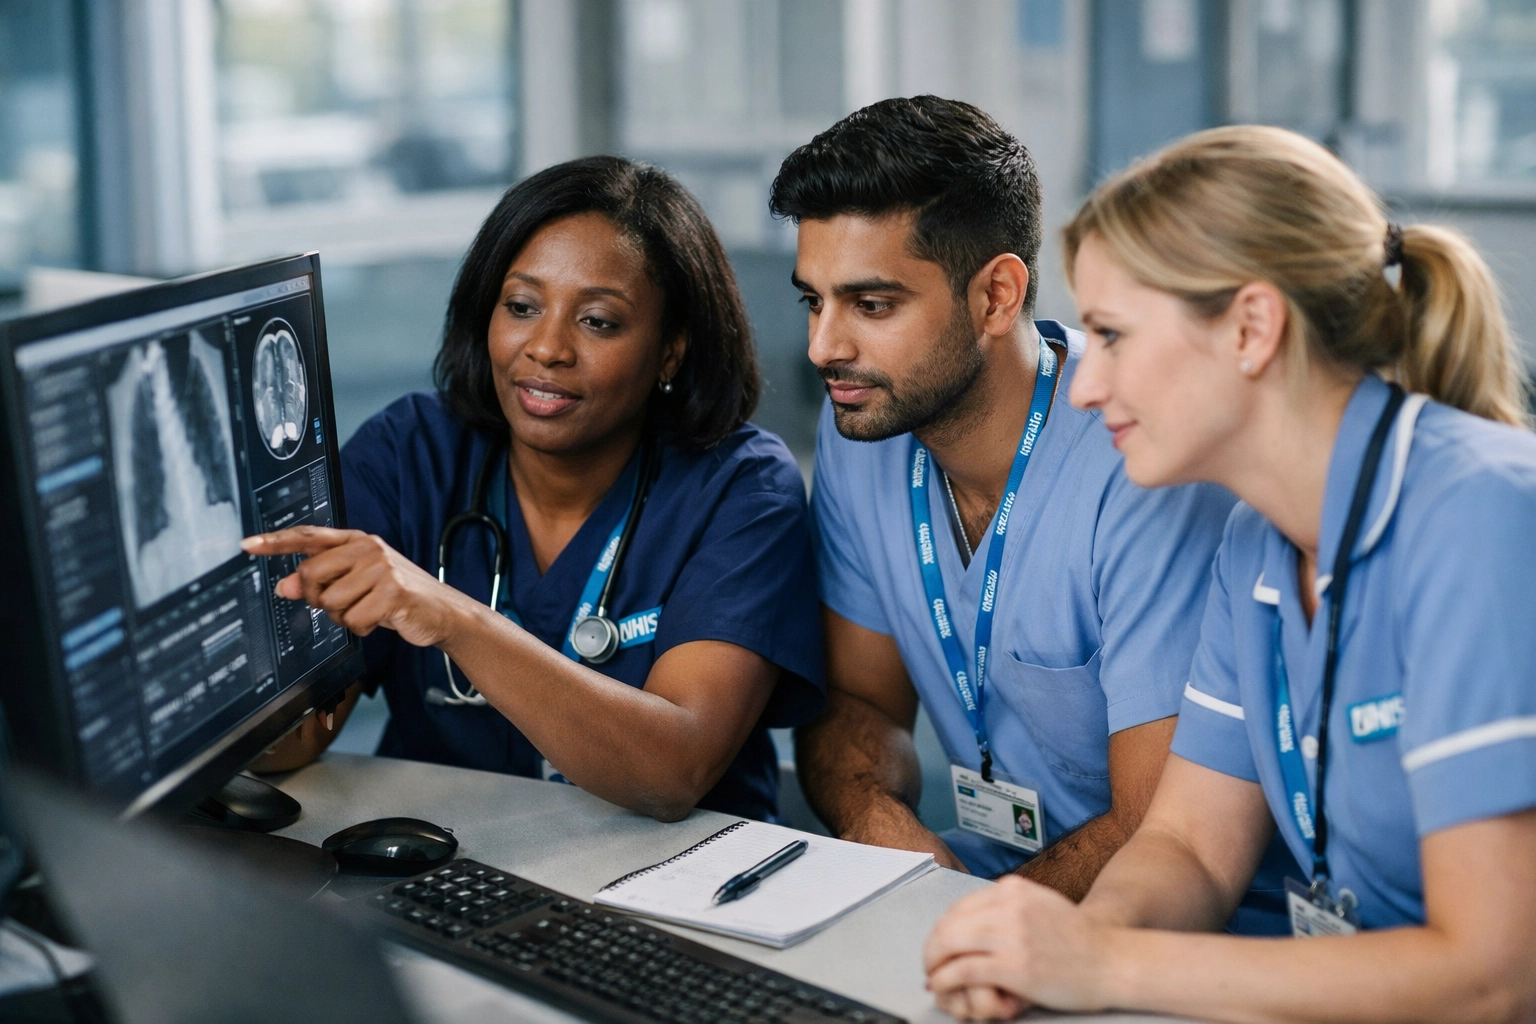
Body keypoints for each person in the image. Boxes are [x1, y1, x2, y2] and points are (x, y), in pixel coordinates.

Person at [923, 125, 1536, 1022]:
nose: (1085, 387)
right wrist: (1071, 947)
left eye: (1113, 336)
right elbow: (1190, 847)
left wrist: (1107, 967)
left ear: (1252, 328)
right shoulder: (1256, 542)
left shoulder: (1484, 514)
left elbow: (1494, 977)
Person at [245, 156, 824, 823]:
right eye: (521, 307)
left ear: (671, 349)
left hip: (677, 875)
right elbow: (297, 735)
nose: (547, 348)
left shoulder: (743, 490)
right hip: (449, 861)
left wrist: (453, 619)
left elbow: (673, 772)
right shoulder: (411, 453)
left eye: (598, 321)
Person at [771, 96, 1242, 897]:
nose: (824, 347)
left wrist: (969, 927)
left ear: (996, 296)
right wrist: (877, 822)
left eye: (871, 305)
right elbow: (857, 698)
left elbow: (1157, 827)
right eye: (814, 300)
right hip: (986, 886)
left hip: (1173, 922)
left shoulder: (1140, 452)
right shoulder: (864, 422)